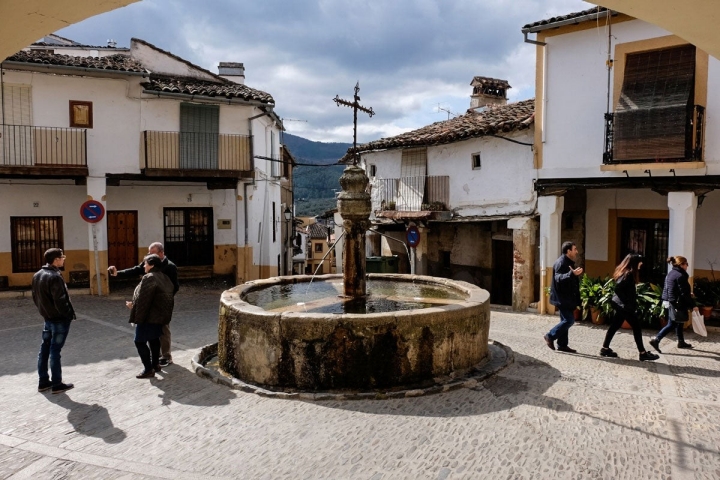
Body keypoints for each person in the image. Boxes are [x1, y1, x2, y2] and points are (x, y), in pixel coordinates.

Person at [109, 242, 179, 367]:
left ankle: (166, 356)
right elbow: (136, 269)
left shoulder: (170, 267)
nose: (148, 257)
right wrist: (118, 273)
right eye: (148, 253)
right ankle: (156, 360)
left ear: (161, 253)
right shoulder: (149, 262)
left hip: (161, 305)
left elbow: (174, 287)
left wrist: (164, 301)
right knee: (153, 334)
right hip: (150, 306)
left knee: (163, 330)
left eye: (152, 253)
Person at [32, 248, 76, 394]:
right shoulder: (54, 276)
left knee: (44, 348)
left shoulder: (38, 274)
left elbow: (35, 298)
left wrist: (44, 312)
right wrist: (68, 315)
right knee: (54, 350)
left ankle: (43, 381)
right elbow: (60, 301)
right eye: (62, 257)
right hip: (58, 320)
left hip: (47, 318)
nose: (63, 259)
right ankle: (57, 383)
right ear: (56, 260)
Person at [600, 254, 659, 361]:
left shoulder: (625, 272)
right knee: (637, 327)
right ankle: (642, 353)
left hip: (621, 305)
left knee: (614, 326)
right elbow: (618, 288)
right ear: (635, 263)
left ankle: (605, 348)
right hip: (625, 307)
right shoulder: (628, 274)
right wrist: (626, 303)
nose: (641, 263)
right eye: (640, 262)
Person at [127, 254, 175, 378]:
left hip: (148, 317)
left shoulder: (149, 277)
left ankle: (148, 369)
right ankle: (155, 365)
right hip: (159, 316)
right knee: (154, 340)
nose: (144, 265)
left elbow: (144, 300)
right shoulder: (164, 277)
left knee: (139, 341)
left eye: (146, 263)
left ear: (152, 265)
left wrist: (136, 314)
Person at [649, 256, 698, 352]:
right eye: (686, 264)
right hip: (676, 302)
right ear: (681, 265)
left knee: (679, 322)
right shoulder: (680, 276)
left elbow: (675, 289)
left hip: (671, 301)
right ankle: (656, 340)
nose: (687, 266)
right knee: (672, 323)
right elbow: (683, 293)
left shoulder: (672, 273)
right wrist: (693, 305)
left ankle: (681, 341)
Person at [544, 241, 583, 353]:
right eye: (575, 249)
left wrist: (574, 274)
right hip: (563, 298)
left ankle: (562, 344)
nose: (576, 251)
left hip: (567, 298)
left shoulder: (568, 262)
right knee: (569, 320)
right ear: (568, 251)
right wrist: (571, 274)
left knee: (564, 320)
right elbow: (558, 278)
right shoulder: (561, 263)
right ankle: (550, 336)